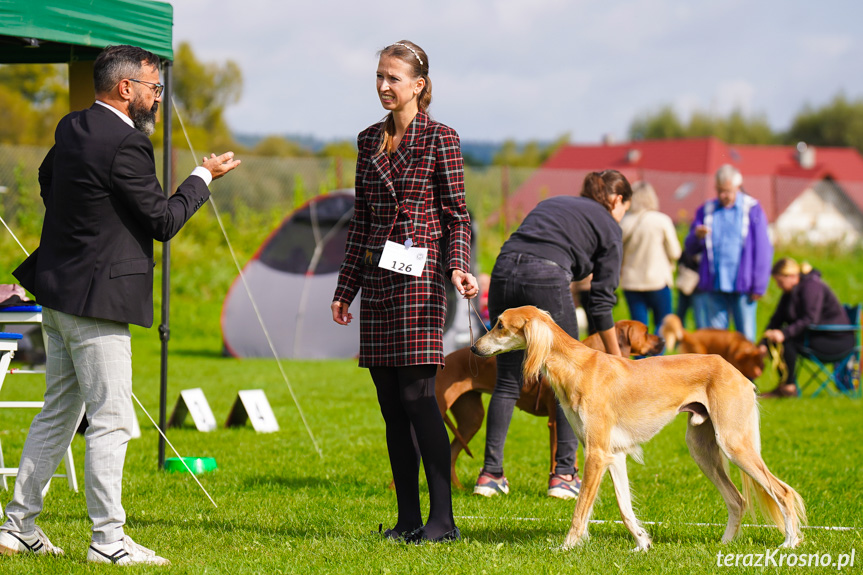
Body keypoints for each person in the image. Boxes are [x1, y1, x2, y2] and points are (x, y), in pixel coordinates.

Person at [0, 45, 240, 565]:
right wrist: (202, 178)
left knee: (59, 411)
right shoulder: (128, 143)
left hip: (59, 291)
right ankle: (108, 540)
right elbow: (163, 221)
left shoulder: (71, 126)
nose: (158, 98)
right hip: (97, 300)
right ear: (125, 88)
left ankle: (18, 526)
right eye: (154, 89)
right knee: (112, 419)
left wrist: (87, 223)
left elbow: (49, 183)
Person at [330, 40, 478, 544]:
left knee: (419, 399)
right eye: (379, 76)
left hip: (421, 282)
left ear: (419, 85)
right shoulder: (367, 140)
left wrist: (457, 267)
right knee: (392, 405)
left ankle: (443, 521)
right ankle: (408, 520)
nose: (383, 86)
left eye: (393, 78)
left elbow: (457, 216)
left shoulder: (443, 138)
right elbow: (362, 222)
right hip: (376, 280)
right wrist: (344, 289)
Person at [473, 170, 632, 500]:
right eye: (625, 208)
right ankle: (563, 475)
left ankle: (490, 475)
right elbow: (601, 304)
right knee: (568, 379)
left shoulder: (556, 202)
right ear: (617, 200)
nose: (622, 215)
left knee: (506, 381)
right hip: (546, 274)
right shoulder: (610, 227)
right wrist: (618, 358)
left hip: (504, 267)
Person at [683, 164, 772, 342]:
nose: (724, 195)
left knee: (745, 339)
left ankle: (743, 372)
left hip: (744, 286)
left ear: (738, 188)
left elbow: (763, 249)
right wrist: (696, 236)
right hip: (714, 283)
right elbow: (690, 247)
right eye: (720, 191)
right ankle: (719, 371)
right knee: (717, 340)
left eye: (728, 191)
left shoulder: (752, 209)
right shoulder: (706, 210)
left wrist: (759, 284)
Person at [759, 258, 855, 398]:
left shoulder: (812, 287)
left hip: (837, 339)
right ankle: (785, 385)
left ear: (791, 276)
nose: (778, 286)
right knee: (781, 338)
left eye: (780, 282)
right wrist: (763, 343)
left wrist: (784, 334)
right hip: (816, 335)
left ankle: (788, 388)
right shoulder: (789, 292)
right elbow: (777, 319)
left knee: (787, 341)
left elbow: (809, 319)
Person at [620, 181, 681, 333]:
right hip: (658, 280)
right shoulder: (661, 220)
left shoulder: (624, 223)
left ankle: (640, 357)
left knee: (638, 327)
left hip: (631, 281)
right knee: (662, 323)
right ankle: (657, 355)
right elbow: (675, 252)